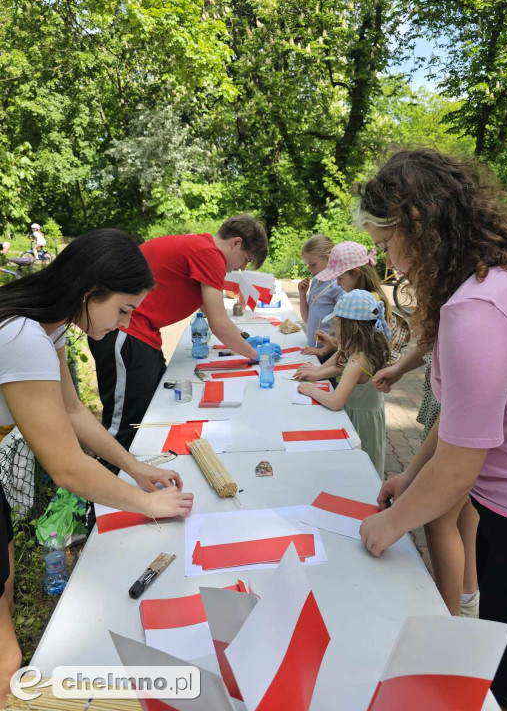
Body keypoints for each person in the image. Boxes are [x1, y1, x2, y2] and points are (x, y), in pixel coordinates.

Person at [356, 148, 507, 711]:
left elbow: (458, 469)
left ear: (420, 228)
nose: (392, 265)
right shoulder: (496, 282)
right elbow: (464, 420)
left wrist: (389, 526)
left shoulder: (480, 308)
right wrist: (409, 476)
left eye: (388, 246)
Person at [0, 229, 194, 708]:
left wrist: (135, 468)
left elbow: (72, 411)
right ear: (90, 291)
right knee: (6, 655)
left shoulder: (50, 326)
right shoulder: (23, 336)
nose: (127, 324)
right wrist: (148, 503)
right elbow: (66, 467)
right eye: (124, 309)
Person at [89, 215, 275, 450]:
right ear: (236, 242)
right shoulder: (210, 255)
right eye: (246, 260)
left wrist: (245, 339)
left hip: (140, 334)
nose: (241, 268)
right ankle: (106, 478)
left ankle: (132, 475)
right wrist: (257, 356)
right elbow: (218, 324)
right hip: (125, 331)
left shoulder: (200, 246)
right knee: (126, 426)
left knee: (152, 409)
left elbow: (210, 311)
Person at [373, 344, 480, 617]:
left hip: (464, 427)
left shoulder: (468, 313)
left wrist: (397, 518)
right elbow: (455, 411)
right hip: (450, 421)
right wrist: (411, 475)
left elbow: (465, 405)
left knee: (439, 516)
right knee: (462, 512)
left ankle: (451, 616)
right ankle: (466, 599)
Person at [294, 290, 388, 476]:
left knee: (362, 468)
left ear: (348, 327)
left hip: (360, 422)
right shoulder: (367, 347)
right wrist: (317, 371)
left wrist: (310, 390)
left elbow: (335, 402)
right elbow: (340, 359)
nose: (335, 330)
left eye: (338, 325)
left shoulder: (357, 360)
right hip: (370, 415)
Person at [313, 240, 410, 362]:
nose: (338, 283)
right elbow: (357, 345)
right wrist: (334, 342)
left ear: (356, 273)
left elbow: (359, 357)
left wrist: (319, 372)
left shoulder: (366, 305)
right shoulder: (364, 299)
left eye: (340, 278)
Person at [298, 234, 344, 362]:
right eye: (308, 265)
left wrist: (325, 349)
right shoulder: (316, 281)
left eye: (313, 264)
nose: (311, 270)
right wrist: (302, 295)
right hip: (314, 348)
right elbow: (306, 319)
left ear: (329, 259)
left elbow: (343, 323)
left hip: (330, 352)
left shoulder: (338, 285)